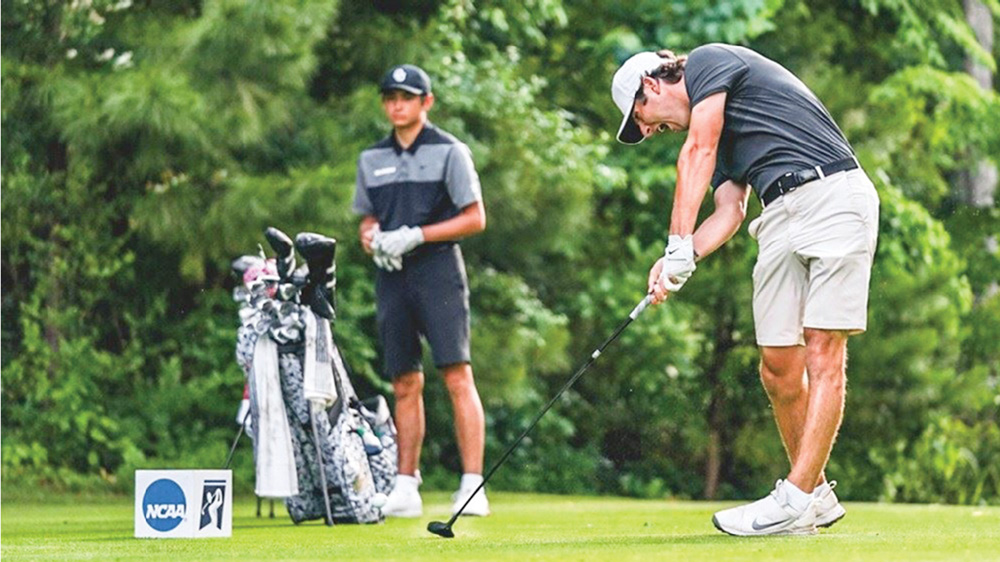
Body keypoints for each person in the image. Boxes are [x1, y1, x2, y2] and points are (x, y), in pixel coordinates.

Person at [610, 44, 879, 535]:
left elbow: (697, 149)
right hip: (777, 215)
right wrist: (682, 259)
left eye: (642, 117)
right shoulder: (726, 140)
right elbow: (729, 212)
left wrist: (676, 240)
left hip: (832, 194)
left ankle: (794, 497)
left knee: (823, 349)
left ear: (651, 84)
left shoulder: (709, 61)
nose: (648, 131)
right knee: (777, 367)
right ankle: (816, 497)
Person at [353, 64, 490, 518]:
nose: (397, 106)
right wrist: (373, 238)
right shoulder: (371, 158)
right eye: (391, 98)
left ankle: (472, 486)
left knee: (456, 374)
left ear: (425, 102)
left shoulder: (450, 151)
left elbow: (475, 217)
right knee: (404, 381)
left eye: (407, 98)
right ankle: (405, 485)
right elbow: (368, 218)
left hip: (438, 271)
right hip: (392, 275)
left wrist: (417, 235)